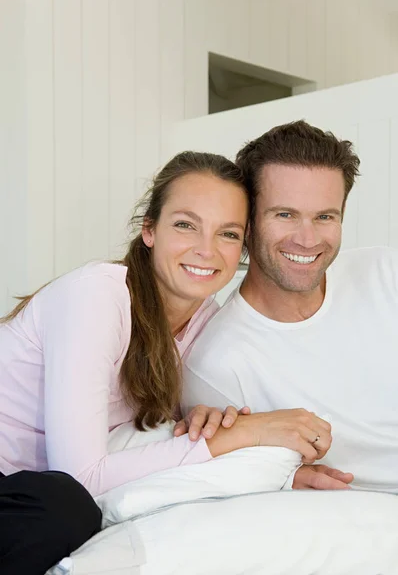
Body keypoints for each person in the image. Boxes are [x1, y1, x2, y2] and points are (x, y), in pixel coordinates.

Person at [0, 150, 330, 575]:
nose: (206, 250)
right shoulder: (97, 296)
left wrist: (274, 472)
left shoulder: (205, 320)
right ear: (149, 230)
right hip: (26, 488)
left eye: (228, 234)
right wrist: (247, 433)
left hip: (23, 488)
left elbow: (172, 434)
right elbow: (79, 477)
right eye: (185, 225)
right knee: (66, 509)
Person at [181, 120, 398, 492]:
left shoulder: (386, 271)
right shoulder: (216, 365)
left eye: (325, 217)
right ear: (247, 224)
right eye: (285, 215)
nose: (307, 239)